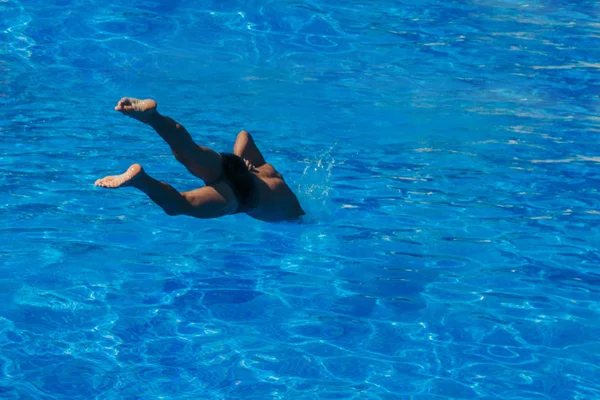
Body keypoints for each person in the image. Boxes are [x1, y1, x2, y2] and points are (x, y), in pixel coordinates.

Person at [95, 98, 305, 222]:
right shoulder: (296, 213)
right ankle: (140, 180)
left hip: (236, 166)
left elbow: (244, 135)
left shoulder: (267, 169)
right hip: (247, 197)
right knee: (181, 204)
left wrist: (242, 162)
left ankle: (153, 117)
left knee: (187, 151)